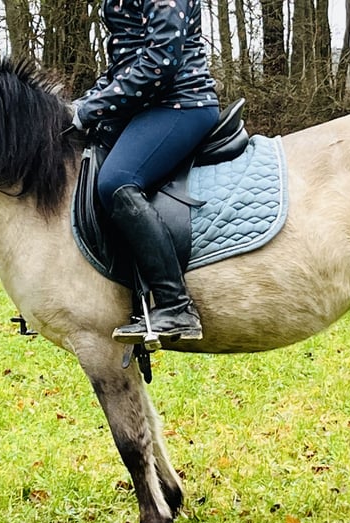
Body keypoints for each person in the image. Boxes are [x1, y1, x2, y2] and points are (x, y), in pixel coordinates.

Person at [72, 0, 220, 345]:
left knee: (116, 181)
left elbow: (160, 63)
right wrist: (82, 105)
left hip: (182, 103)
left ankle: (176, 306)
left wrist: (94, 107)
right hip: (146, 105)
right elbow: (124, 63)